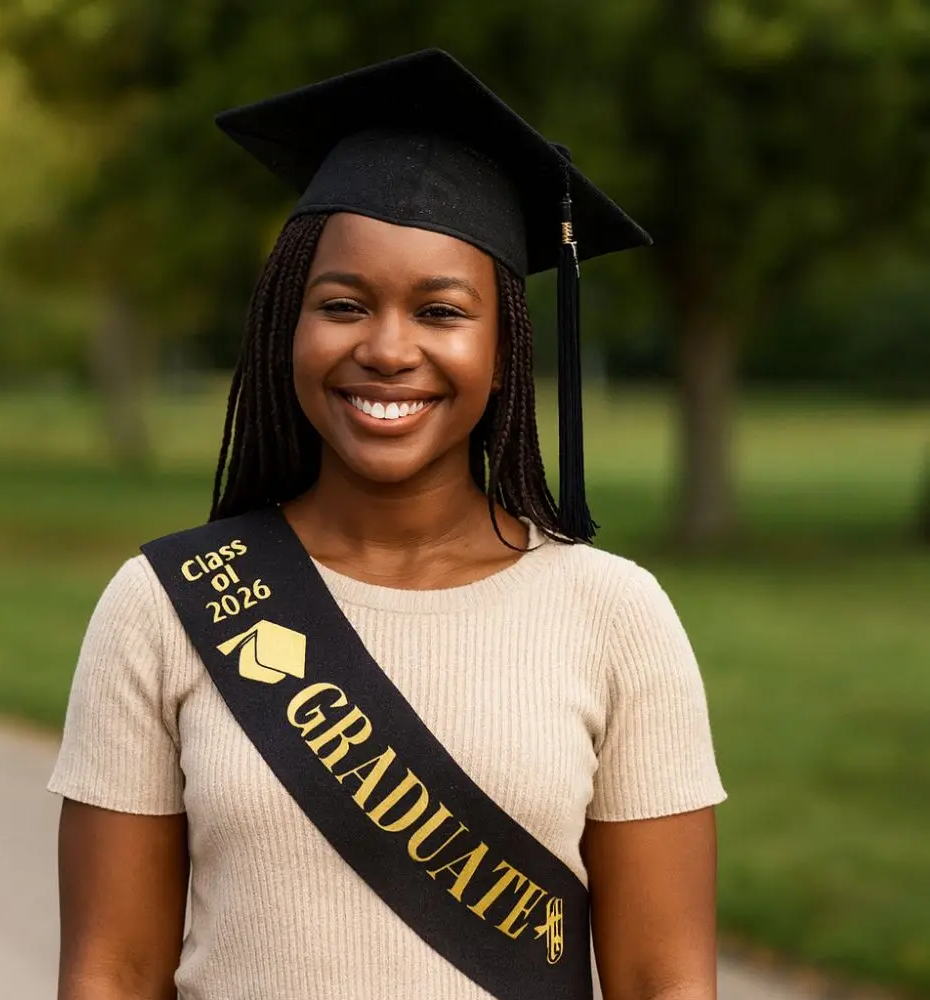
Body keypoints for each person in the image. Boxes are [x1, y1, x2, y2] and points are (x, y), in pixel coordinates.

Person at [49, 49, 726, 1000]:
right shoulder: (167, 607)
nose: (387, 349)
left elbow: (666, 983)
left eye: (442, 311)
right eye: (343, 305)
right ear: (290, 323)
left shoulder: (615, 617)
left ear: (505, 348)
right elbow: (109, 974)